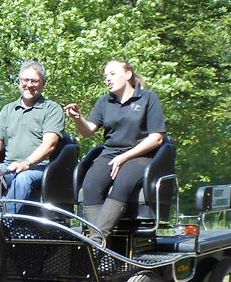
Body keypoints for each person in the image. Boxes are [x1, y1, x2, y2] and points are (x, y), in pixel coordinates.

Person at [64, 59, 166, 238]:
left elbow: (156, 138)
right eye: (105, 76)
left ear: (128, 75)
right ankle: (100, 242)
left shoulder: (147, 98)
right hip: (110, 153)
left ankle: (96, 241)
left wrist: (125, 157)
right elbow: (88, 131)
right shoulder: (105, 102)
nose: (107, 79)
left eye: (112, 74)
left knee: (123, 182)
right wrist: (78, 118)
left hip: (140, 154)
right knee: (90, 185)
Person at [0, 61, 65, 215]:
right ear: (19, 81)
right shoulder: (8, 110)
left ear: (43, 84)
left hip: (39, 169)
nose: (29, 85)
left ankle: (4, 222)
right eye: (24, 80)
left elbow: (50, 145)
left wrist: (26, 163)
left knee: (23, 179)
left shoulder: (52, 108)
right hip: (8, 168)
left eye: (34, 81)